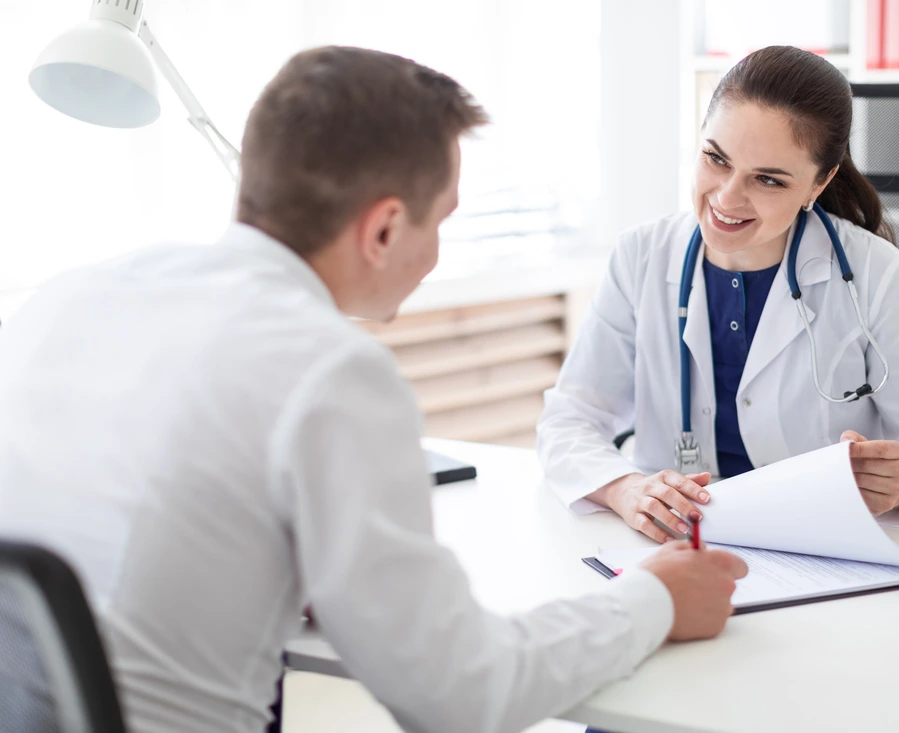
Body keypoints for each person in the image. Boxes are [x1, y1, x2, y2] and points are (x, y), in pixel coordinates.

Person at [0, 47, 749, 733]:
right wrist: (654, 598)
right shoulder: (328, 372)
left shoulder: (68, 297)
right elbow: (460, 692)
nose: (437, 249)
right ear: (385, 229)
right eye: (442, 218)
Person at [537, 45, 899, 543]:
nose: (726, 198)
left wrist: (898, 482)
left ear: (820, 181)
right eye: (715, 158)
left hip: (817, 544)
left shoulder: (875, 276)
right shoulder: (641, 257)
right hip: (678, 547)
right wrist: (625, 489)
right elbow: (570, 419)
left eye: (767, 179)